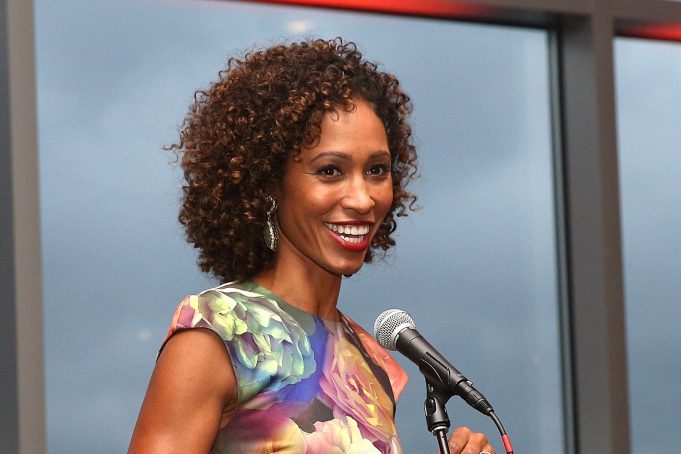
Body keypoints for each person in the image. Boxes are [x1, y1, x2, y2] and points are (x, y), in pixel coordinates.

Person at [129, 38, 495, 454]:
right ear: (268, 182)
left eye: (376, 170)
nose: (362, 199)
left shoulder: (371, 364)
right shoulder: (215, 336)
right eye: (330, 171)